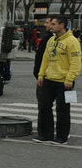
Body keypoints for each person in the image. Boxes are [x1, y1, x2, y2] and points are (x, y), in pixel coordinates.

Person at [34, 15, 81, 145]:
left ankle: (62, 136)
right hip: (49, 79)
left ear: (62, 25)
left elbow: (75, 62)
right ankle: (46, 134)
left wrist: (70, 79)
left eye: (54, 24)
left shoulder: (72, 41)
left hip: (64, 81)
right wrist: (41, 75)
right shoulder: (51, 40)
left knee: (63, 110)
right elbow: (45, 59)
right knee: (44, 106)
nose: (51, 26)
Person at [33, 17, 54, 139]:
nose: (45, 24)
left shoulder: (49, 39)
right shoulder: (49, 38)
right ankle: (47, 131)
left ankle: (44, 132)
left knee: (44, 105)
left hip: (49, 76)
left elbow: (43, 58)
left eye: (48, 22)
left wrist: (39, 74)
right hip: (45, 75)